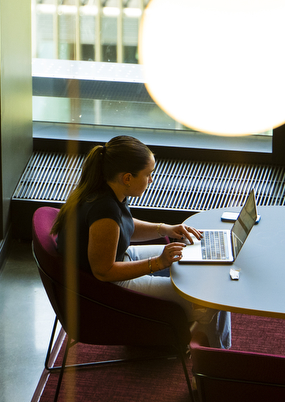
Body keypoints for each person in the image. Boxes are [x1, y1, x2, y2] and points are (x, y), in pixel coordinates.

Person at [52, 134, 230, 349]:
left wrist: (165, 229)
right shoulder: (104, 210)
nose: (151, 180)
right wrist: (158, 262)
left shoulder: (106, 191)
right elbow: (103, 272)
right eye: (148, 174)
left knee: (191, 254)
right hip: (108, 286)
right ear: (127, 178)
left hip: (120, 260)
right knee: (213, 297)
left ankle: (202, 343)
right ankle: (215, 361)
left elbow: (125, 227)